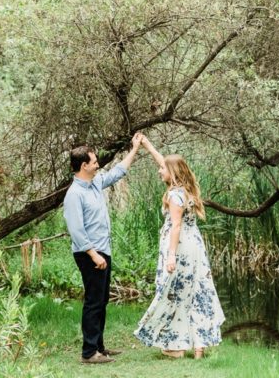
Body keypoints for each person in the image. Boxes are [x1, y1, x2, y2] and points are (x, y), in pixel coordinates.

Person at [133, 135, 223, 359]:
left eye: (163, 169)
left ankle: (177, 346)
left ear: (172, 173)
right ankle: (198, 345)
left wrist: (171, 255)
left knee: (173, 292)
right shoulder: (186, 192)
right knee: (195, 291)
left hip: (180, 247)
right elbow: (163, 161)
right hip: (195, 247)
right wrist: (146, 144)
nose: (158, 171)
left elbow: (176, 226)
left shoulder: (174, 195)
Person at [62, 134, 142, 364]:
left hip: (102, 250)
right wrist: (94, 254)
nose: (98, 164)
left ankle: (99, 347)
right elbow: (77, 231)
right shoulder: (74, 195)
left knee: (102, 299)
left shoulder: (95, 182)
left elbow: (117, 172)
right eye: (94, 162)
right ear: (84, 165)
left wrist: (134, 149)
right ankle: (88, 353)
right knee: (93, 301)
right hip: (89, 254)